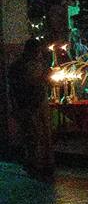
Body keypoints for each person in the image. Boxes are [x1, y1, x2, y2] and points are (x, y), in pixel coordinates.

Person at [8, 39, 53, 176]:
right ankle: (34, 163)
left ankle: (43, 163)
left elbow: (46, 79)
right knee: (32, 135)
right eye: (37, 51)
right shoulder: (19, 67)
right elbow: (16, 87)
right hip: (28, 104)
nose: (39, 54)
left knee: (43, 133)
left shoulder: (39, 64)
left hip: (39, 102)